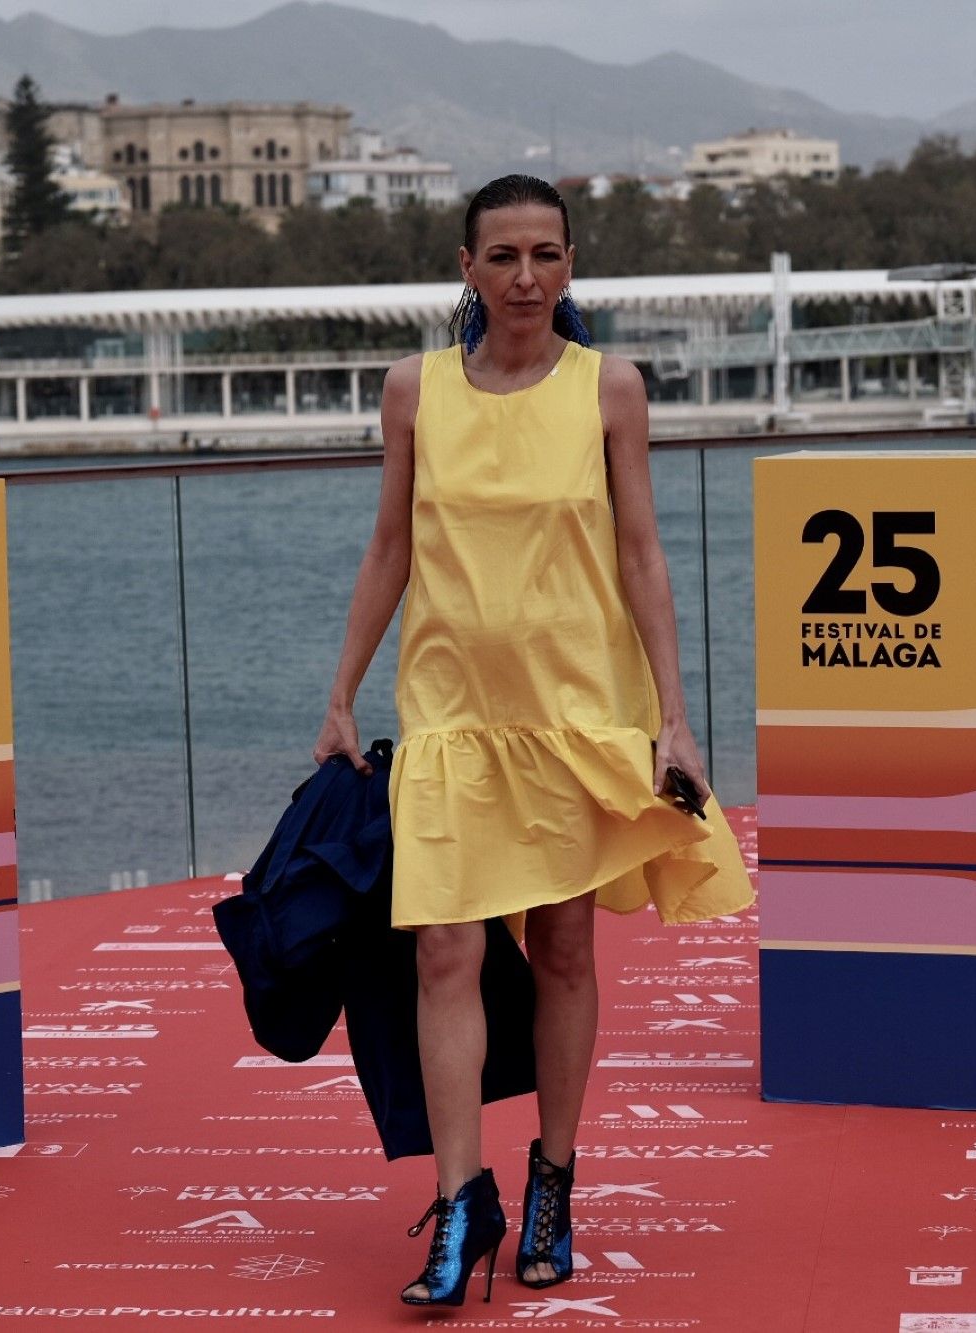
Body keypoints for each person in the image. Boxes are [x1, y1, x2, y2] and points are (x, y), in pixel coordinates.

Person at [313, 174, 754, 1307]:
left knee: (561, 953)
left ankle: (551, 1176)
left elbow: (643, 557)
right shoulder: (411, 390)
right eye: (502, 255)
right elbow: (382, 550)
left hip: (573, 716)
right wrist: (338, 696)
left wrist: (673, 719)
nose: (524, 278)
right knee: (444, 955)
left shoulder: (609, 388)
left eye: (545, 255)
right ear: (464, 266)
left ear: (569, 267)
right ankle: (463, 1202)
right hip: (451, 718)